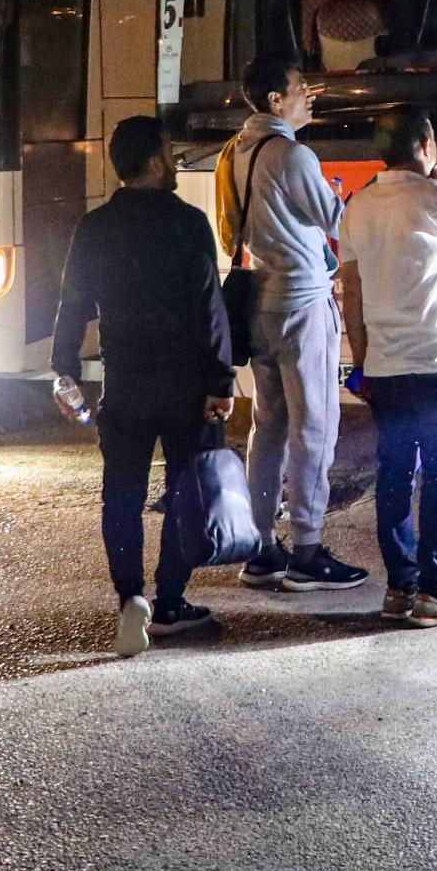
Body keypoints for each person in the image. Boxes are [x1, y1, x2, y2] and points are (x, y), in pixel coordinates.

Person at [52, 115, 237, 656]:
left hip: (126, 383)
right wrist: (220, 380)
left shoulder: (95, 227)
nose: (176, 160)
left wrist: (64, 372)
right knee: (182, 490)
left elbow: (72, 306)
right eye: (171, 152)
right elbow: (211, 311)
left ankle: (130, 597)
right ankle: (172, 601)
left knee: (123, 493)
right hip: (184, 385)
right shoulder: (188, 222)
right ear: (156, 162)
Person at [339, 108, 437, 626]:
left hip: (385, 365)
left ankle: (399, 590)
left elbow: (352, 291)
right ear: (426, 146)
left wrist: (362, 361)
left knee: (393, 475)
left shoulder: (357, 207)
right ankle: (435, 591)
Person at [217, 53, 365, 592]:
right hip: (302, 302)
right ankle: (307, 547)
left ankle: (262, 546)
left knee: (269, 426)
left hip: (259, 298)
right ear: (276, 100)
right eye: (301, 87)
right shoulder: (291, 154)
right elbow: (339, 222)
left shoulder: (237, 151)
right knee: (314, 428)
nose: (311, 95)